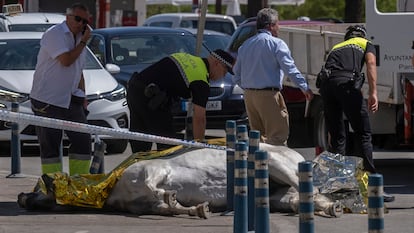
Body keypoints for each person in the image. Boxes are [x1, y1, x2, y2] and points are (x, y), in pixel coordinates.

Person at [318, 25, 394, 202]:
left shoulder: (338, 46)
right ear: (363, 35)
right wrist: (373, 92)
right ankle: (371, 187)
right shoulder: (366, 43)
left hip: (327, 86)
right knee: (363, 134)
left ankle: (337, 187)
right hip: (346, 84)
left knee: (337, 137)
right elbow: (371, 63)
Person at [232, 8, 313, 146]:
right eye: (277, 24)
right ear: (271, 25)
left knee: (257, 139)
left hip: (250, 96)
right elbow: (290, 69)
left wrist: (248, 87)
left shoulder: (245, 45)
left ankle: (258, 166)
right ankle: (274, 167)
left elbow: (236, 74)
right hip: (268, 95)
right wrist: (304, 87)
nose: (279, 28)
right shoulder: (277, 44)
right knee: (277, 137)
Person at [127, 49, 235, 153]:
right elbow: (199, 118)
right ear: (217, 63)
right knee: (168, 147)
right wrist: (200, 146)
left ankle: (135, 167)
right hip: (152, 99)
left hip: (135, 88)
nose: (223, 76)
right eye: (225, 71)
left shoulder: (189, 58)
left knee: (140, 141)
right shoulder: (201, 80)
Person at [30, 3, 92, 175]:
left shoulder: (80, 38)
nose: (81, 24)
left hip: (72, 98)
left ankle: (78, 183)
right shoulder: (54, 34)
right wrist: (84, 41)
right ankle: (53, 184)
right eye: (78, 19)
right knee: (51, 144)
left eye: (85, 21)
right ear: (68, 17)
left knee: (83, 142)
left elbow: (78, 71)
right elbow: (66, 60)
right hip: (48, 99)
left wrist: (83, 97)